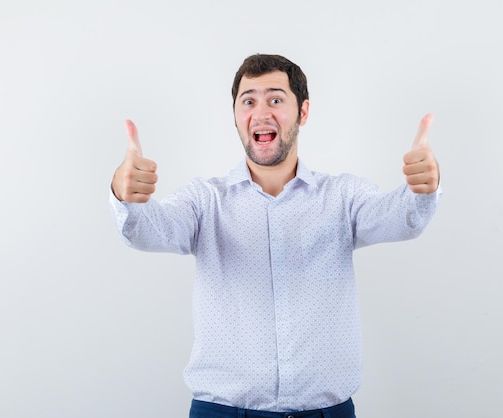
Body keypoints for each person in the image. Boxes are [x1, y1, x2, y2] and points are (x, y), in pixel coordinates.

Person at [110, 54, 441, 418]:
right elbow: (147, 229)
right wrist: (126, 195)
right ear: (236, 115)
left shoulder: (343, 197)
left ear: (303, 112)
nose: (261, 112)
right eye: (248, 100)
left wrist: (422, 188)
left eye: (276, 99)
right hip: (221, 411)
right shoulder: (205, 200)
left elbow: (402, 219)